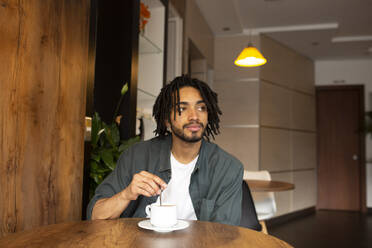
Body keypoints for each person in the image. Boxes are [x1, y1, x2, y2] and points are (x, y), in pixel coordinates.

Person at [87, 75, 259, 228]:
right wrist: (126, 194)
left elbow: (223, 235)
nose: (194, 116)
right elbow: (96, 215)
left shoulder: (227, 168)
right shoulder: (136, 157)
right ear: (167, 121)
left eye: (201, 108)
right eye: (182, 109)